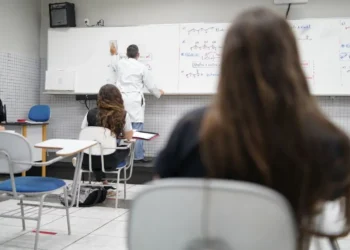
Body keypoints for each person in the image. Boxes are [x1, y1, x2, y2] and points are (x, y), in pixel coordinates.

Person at [154, 8, 350, 249]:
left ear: (228, 63)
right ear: (291, 61)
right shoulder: (327, 140)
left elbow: (161, 200)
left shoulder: (191, 130)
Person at [109, 44, 164, 163]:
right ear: (138, 55)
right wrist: (158, 93)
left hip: (122, 100)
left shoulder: (120, 63)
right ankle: (138, 157)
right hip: (135, 101)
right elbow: (150, 85)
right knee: (137, 130)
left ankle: (117, 156)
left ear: (127, 54)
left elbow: (113, 64)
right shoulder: (142, 67)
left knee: (120, 127)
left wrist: (114, 54)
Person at [81, 84, 133, 182]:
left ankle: (102, 181)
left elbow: (84, 133)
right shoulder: (123, 114)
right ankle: (103, 182)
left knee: (97, 149)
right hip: (110, 161)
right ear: (118, 97)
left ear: (100, 97)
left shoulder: (90, 113)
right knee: (125, 148)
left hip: (88, 160)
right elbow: (128, 137)